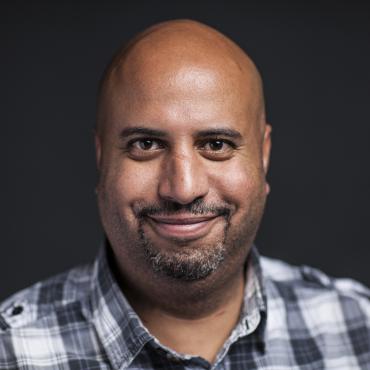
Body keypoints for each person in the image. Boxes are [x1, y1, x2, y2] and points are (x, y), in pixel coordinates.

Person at [0, 19, 369, 370]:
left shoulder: (360, 331)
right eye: (146, 144)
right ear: (101, 157)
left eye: (216, 144)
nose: (182, 188)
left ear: (264, 154)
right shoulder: (10, 352)